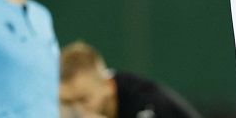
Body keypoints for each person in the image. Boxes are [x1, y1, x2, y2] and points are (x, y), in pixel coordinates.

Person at [59, 41, 203, 118]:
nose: (77, 109)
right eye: (67, 102)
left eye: (83, 99)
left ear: (108, 86)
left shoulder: (143, 101)